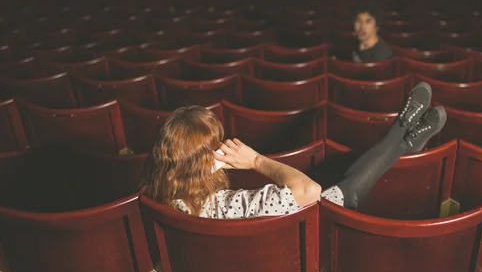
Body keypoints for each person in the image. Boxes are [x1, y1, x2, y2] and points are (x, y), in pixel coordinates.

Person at [141, 82, 446, 218]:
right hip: (302, 246)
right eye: (217, 146)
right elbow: (309, 191)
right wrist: (255, 160)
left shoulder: (155, 203)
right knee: (344, 192)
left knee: (336, 169)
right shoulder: (225, 207)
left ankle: (406, 142)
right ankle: (402, 133)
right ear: (205, 161)